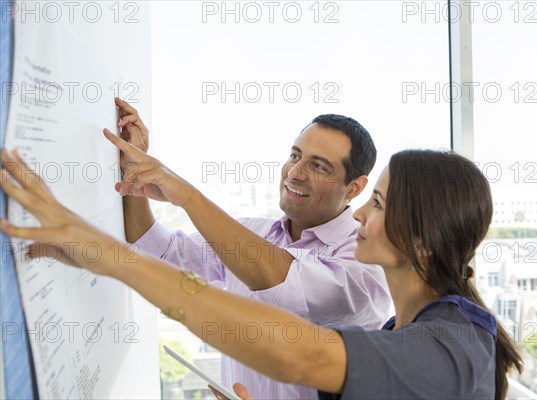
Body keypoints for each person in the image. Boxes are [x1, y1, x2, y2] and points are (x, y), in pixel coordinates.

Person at [1, 146, 522, 399]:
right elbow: (173, 254)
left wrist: (109, 256)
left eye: (380, 204)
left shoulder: (452, 343)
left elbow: (298, 350)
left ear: (422, 242)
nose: (364, 216)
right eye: (296, 156)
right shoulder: (405, 335)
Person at [45, 98, 392, 399]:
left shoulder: (365, 263)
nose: (295, 172)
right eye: (294, 155)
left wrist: (188, 196)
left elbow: (283, 284)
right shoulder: (254, 233)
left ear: (354, 188)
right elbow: (160, 252)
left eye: (318, 166)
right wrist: (136, 172)